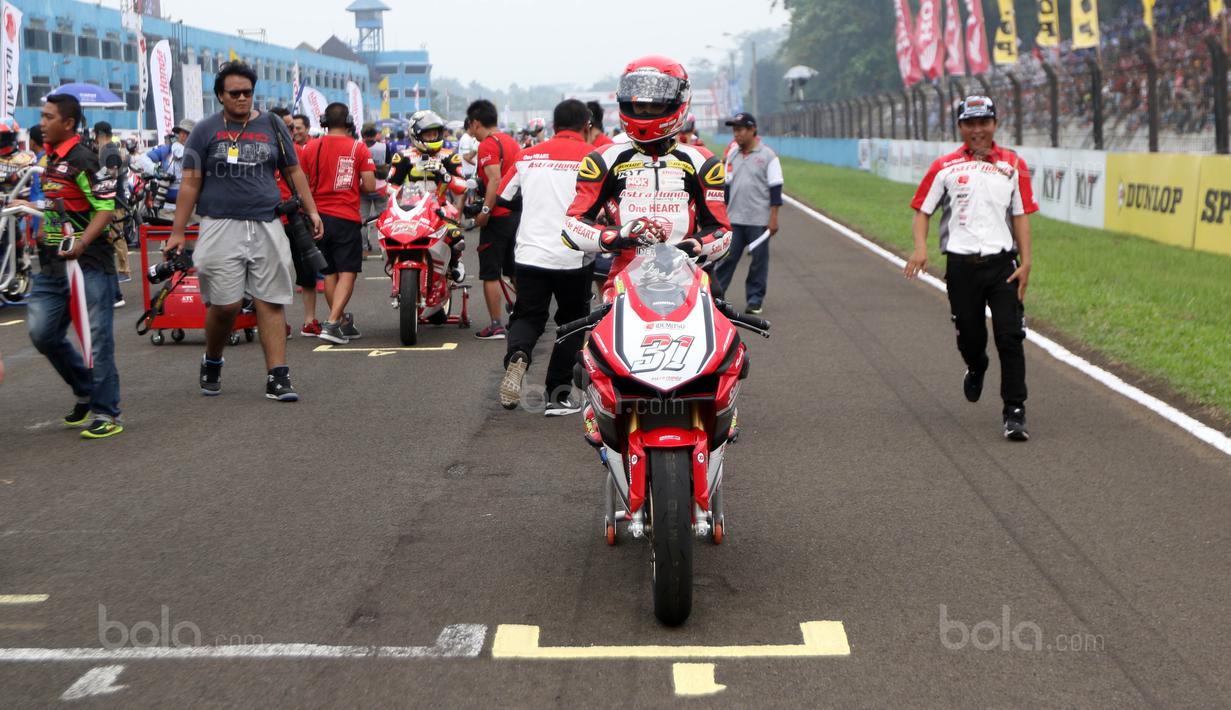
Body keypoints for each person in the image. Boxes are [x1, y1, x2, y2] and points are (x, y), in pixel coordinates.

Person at [166, 61, 324, 401]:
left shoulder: (272, 126)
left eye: (248, 93)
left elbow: (295, 172)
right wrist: (178, 232)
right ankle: (212, 358)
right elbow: (190, 184)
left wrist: (311, 210)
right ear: (220, 96)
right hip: (219, 224)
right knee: (226, 305)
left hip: (267, 223)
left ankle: (277, 376)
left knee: (270, 300)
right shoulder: (205, 131)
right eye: (234, 93)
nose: (242, 98)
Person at [905, 95, 1036, 442]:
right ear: (960, 127)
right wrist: (920, 248)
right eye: (970, 123)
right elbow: (923, 211)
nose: (977, 130)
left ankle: (1015, 411)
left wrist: (1027, 262)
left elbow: (1021, 216)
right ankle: (976, 366)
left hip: (1002, 264)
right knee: (971, 336)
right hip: (961, 267)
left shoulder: (1013, 164)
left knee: (1010, 336)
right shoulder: (944, 166)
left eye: (984, 122)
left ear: (994, 124)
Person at [562, 56, 732, 296]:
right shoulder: (602, 160)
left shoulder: (704, 162)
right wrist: (621, 235)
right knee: (596, 334)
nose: (646, 112)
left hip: (689, 281)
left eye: (655, 106)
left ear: (678, 103)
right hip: (623, 283)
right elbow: (572, 227)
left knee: (727, 334)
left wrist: (697, 246)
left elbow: (722, 232)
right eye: (640, 106)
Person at [24, 94, 122, 438]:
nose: (42, 122)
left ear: (68, 124)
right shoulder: (49, 157)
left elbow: (105, 208)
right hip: (52, 265)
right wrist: (30, 203)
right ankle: (85, 390)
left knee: (97, 339)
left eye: (49, 116)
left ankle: (106, 413)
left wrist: (80, 244)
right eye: (42, 115)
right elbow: (60, 200)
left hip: (89, 264)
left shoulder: (84, 159)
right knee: (42, 332)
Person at [495, 99, 596, 416]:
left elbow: (503, 196)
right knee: (572, 322)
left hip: (530, 251)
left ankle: (518, 355)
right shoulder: (594, 157)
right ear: (587, 126)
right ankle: (558, 394)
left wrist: (535, 207)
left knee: (528, 316)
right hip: (574, 252)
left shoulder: (527, 155)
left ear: (553, 126)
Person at [299, 102, 376, 345]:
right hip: (346, 216)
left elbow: (303, 182)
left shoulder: (310, 148)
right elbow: (371, 186)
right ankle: (332, 323)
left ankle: (340, 321)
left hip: (317, 217)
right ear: (349, 122)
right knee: (348, 272)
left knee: (330, 271)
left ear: (323, 121)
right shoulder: (358, 148)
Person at [713, 112, 783, 315]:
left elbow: (775, 189)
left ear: (753, 130)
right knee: (726, 259)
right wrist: (720, 216)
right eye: (734, 130)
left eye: (740, 129)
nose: (736, 134)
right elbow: (725, 188)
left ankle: (754, 299)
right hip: (734, 218)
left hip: (759, 220)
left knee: (758, 262)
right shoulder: (732, 155)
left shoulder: (768, 156)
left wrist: (773, 218)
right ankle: (716, 296)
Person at [387, 110, 468, 281]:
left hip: (440, 206)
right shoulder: (402, 157)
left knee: (456, 236)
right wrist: (397, 197)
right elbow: (391, 185)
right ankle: (393, 262)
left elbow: (463, 186)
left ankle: (456, 262)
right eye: (428, 134)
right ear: (416, 135)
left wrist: (445, 175)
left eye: (435, 133)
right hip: (409, 207)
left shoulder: (449, 156)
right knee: (388, 233)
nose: (433, 137)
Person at [465, 99, 522, 339]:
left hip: (497, 215)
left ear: (476, 122)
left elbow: (495, 180)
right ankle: (523, 317)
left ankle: (496, 323)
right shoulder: (511, 142)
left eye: (471, 127)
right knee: (513, 269)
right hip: (516, 214)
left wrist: (484, 212)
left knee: (490, 272)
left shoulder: (488, 145)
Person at [271, 107, 319, 337]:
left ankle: (309, 320)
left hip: (295, 217)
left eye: (293, 127)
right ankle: (279, 323)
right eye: (287, 127)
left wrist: (312, 212)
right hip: (269, 220)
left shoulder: (299, 151)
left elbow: (307, 184)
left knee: (307, 270)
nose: (292, 131)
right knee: (273, 273)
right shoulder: (262, 152)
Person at [361, 123, 389, 256]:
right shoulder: (383, 147)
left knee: (362, 220)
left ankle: (364, 249)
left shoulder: (359, 147)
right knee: (384, 218)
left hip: (363, 186)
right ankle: (385, 248)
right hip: (381, 186)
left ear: (363, 135)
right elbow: (389, 164)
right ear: (375, 134)